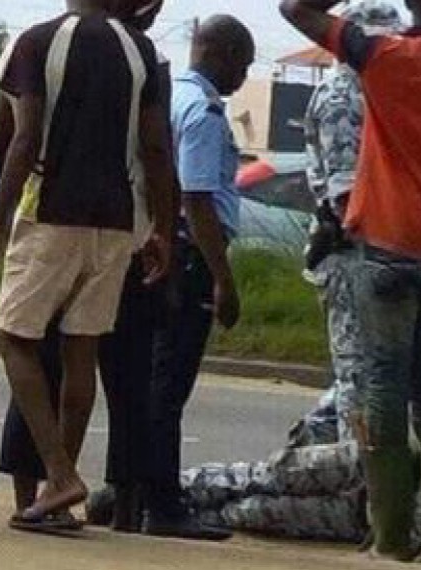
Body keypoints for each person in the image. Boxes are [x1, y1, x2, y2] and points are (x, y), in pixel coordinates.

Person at [280, 0, 421, 564]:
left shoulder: (379, 56)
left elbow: (294, 8)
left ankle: (390, 538)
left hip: (381, 245)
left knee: (384, 391)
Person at [0, 0, 175, 527]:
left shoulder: (37, 41)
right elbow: (156, 148)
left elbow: (22, 138)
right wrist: (160, 230)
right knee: (81, 347)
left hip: (51, 211)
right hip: (115, 223)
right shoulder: (141, 51)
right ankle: (59, 501)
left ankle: (59, 476)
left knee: (16, 337)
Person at [146, 15, 255, 539]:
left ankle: (134, 492)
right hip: (191, 256)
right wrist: (223, 278)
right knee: (170, 386)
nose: (243, 76)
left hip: (157, 247)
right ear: (225, 54)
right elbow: (197, 197)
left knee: (146, 381)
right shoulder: (205, 110)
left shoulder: (167, 96)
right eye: (244, 64)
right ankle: (163, 507)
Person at [301, 1, 404, 447]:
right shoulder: (344, 95)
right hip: (351, 253)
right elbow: (347, 202)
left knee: (379, 376)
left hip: (377, 251)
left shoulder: (376, 89)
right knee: (357, 379)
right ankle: (356, 479)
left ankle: (310, 449)